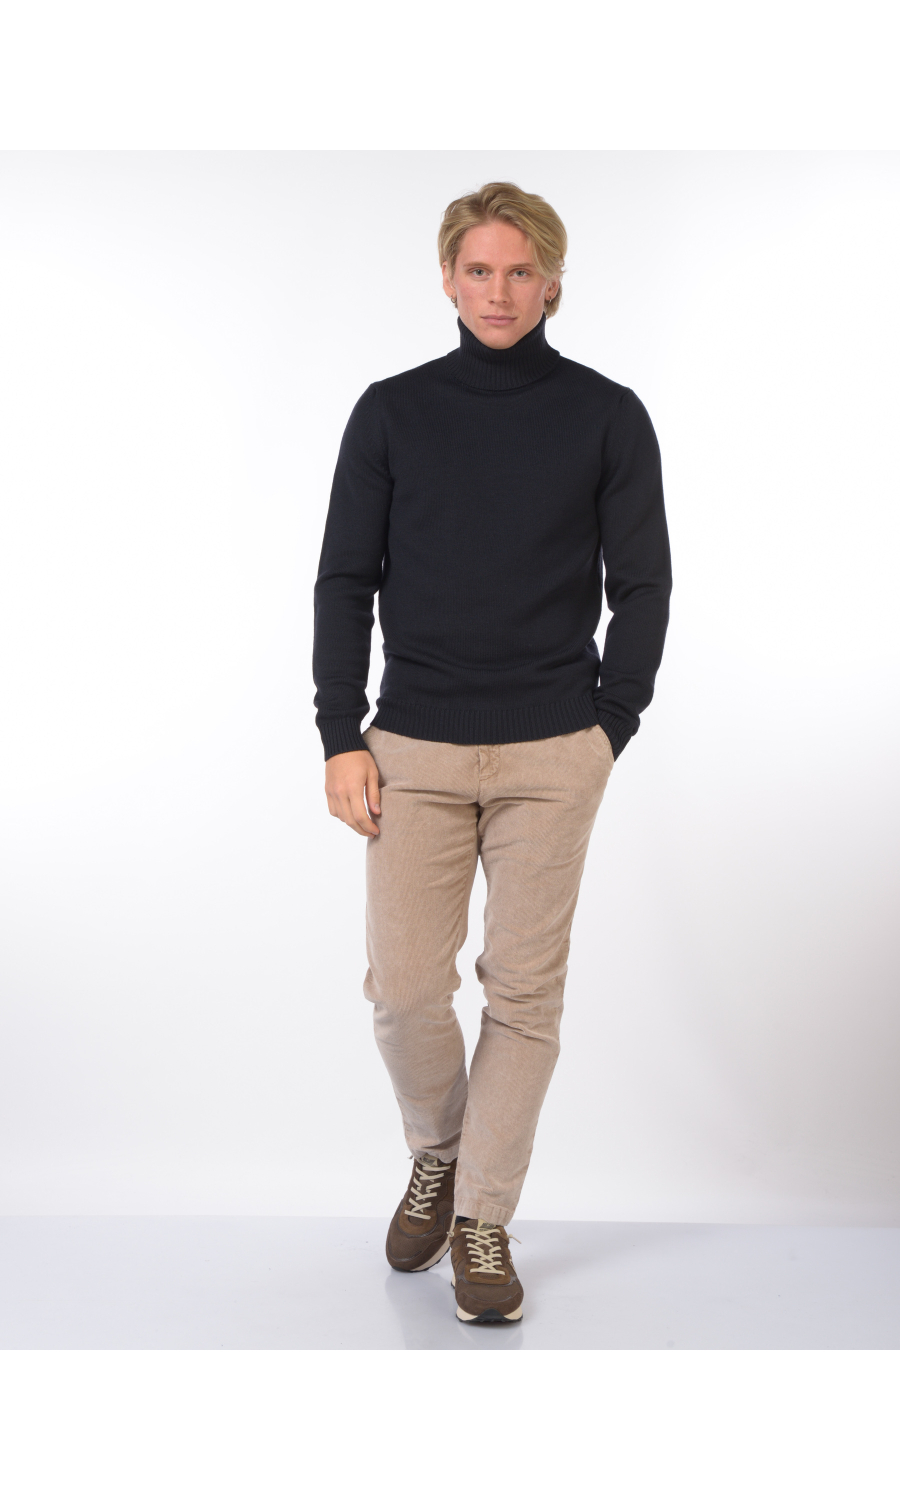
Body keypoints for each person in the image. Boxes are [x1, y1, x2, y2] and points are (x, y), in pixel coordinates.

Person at [312, 181, 672, 1324]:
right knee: (405, 990)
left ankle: (482, 1221)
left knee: (523, 996)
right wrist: (340, 733)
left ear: (553, 281)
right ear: (447, 278)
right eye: (480, 270)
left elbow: (645, 586)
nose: (500, 292)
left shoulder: (608, 416)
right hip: (412, 748)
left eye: (521, 272)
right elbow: (344, 580)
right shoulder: (391, 412)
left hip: (553, 752)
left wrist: (610, 728)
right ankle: (442, 1149)